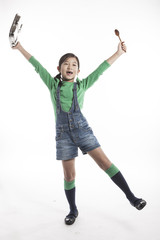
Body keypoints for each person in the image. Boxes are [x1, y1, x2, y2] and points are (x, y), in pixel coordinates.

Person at [12, 40, 146, 225]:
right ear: (59, 68)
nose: (70, 66)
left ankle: (132, 198)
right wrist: (19, 47)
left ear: (78, 71)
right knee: (69, 176)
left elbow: (100, 70)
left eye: (74, 64)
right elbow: (37, 66)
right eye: (66, 63)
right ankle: (73, 210)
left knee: (105, 163)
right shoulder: (53, 85)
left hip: (82, 131)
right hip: (63, 136)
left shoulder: (82, 85)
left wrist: (119, 53)